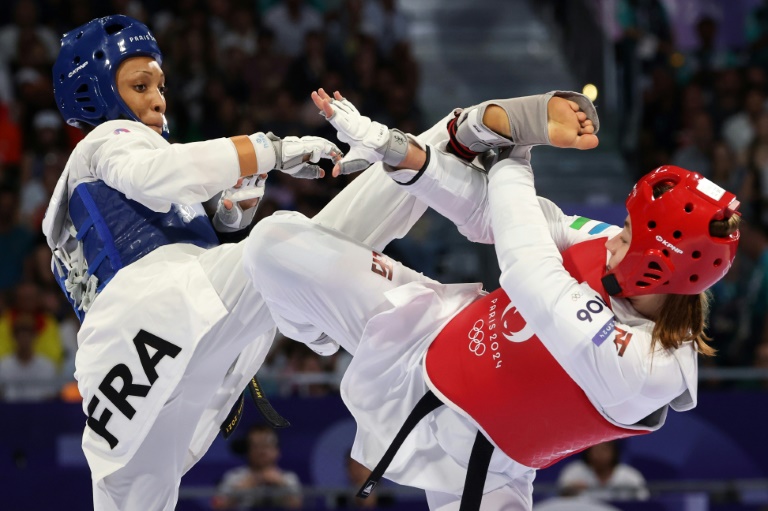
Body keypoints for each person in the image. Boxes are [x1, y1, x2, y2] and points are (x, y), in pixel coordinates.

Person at [244, 89, 741, 510]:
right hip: (423, 327)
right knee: (274, 242)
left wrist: (514, 148)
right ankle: (321, 335)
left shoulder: (651, 368)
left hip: (480, 468)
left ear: (660, 264)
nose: (614, 238)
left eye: (629, 234)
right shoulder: (610, 248)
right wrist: (397, 150)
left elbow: (529, 271)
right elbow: (493, 215)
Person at [44, 15, 437, 511]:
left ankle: (437, 155)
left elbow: (162, 212)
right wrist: (273, 150)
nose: (158, 98)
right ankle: (441, 153)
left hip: (144, 356)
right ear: (98, 94)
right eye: (140, 85)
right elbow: (155, 178)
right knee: (286, 242)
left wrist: (226, 219)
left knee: (129, 503)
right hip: (160, 311)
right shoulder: (108, 139)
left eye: (160, 84)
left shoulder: (122, 163)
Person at [212, 424, 303, 510]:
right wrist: (239, 491)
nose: (262, 451)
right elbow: (217, 505)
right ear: (248, 449)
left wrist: (281, 484)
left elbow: (299, 505)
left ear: (277, 450)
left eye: (267, 446)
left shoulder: (288, 478)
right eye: (256, 446)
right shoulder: (234, 477)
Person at [557, 441, 649, 501]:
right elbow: (560, 501)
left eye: (604, 450)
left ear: (614, 452)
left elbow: (644, 501)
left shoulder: (630, 475)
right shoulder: (574, 471)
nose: (599, 455)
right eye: (595, 450)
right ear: (588, 452)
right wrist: (570, 490)